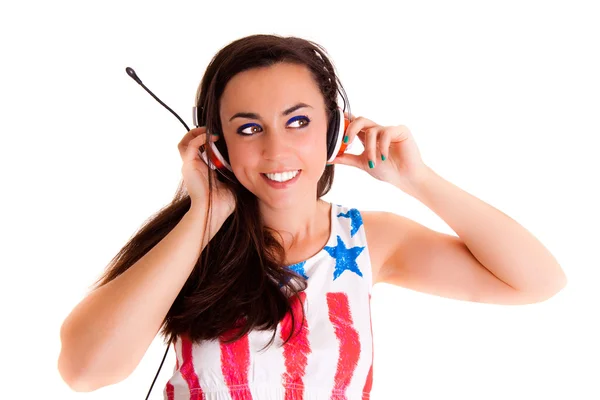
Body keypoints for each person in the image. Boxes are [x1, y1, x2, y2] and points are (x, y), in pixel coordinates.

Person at [57, 34, 567, 399]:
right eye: (249, 129)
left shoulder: (371, 239)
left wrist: (417, 180)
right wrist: (202, 217)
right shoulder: (192, 242)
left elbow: (538, 281)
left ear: (333, 130)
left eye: (298, 122)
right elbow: (84, 372)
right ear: (217, 148)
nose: (277, 151)